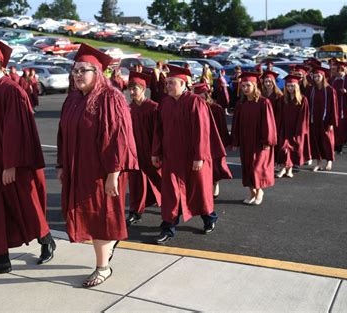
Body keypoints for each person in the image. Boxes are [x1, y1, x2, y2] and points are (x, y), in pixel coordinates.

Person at [0, 33, 56, 280]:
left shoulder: (12, 91)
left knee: (26, 205)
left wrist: (10, 164)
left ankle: (46, 238)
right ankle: (0, 259)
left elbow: (16, 133)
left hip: (13, 163)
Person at [57, 43, 138, 287]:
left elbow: (117, 138)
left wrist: (113, 173)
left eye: (84, 70)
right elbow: (62, 133)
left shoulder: (109, 98)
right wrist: (61, 164)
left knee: (101, 216)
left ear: (98, 73)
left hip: (102, 171)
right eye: (75, 70)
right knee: (89, 216)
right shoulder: (72, 99)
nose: (78, 74)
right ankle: (109, 246)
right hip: (78, 169)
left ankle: (103, 267)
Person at [151, 64, 223, 244]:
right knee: (171, 193)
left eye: (171, 83)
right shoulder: (165, 103)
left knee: (198, 192)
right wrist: (156, 152)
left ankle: (209, 218)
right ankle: (168, 227)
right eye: (166, 83)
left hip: (193, 158)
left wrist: (199, 156)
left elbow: (202, 132)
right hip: (171, 157)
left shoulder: (195, 102)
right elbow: (158, 130)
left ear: (183, 84)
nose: (167, 86)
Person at [231, 72, 277, 205]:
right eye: (243, 85)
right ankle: (251, 193)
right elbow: (236, 124)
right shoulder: (241, 104)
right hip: (246, 141)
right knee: (247, 167)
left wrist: (267, 141)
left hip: (259, 142)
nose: (245, 88)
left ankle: (259, 191)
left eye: (248, 85)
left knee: (256, 167)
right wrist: (235, 140)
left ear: (255, 85)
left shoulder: (264, 102)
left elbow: (268, 123)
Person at [126, 71, 162, 225]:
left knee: (161, 181)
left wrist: (156, 152)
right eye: (130, 89)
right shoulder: (128, 109)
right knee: (135, 183)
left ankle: (172, 210)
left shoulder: (154, 108)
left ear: (143, 89)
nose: (132, 92)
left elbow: (159, 132)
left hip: (152, 153)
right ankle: (135, 212)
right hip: (135, 153)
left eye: (135, 89)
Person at [192, 82, 232, 198]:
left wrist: (224, 142)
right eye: (197, 96)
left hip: (213, 141)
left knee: (214, 166)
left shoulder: (216, 108)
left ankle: (215, 185)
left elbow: (222, 127)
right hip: (200, 142)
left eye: (202, 96)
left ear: (206, 95)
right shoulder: (193, 109)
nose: (200, 99)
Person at [276, 75, 310, 178]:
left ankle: (289, 169)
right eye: (288, 86)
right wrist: (278, 127)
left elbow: (304, 116)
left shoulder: (303, 99)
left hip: (296, 128)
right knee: (283, 148)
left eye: (292, 86)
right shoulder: (283, 99)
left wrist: (300, 129)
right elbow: (279, 114)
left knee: (292, 149)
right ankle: (282, 168)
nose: (290, 88)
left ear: (296, 86)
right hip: (284, 128)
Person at [306, 66, 338, 171]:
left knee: (327, 141)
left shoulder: (330, 90)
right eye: (315, 76)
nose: (316, 78)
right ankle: (318, 162)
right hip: (314, 120)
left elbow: (333, 106)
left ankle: (329, 161)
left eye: (318, 76)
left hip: (326, 120)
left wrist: (332, 122)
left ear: (323, 77)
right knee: (316, 141)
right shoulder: (312, 90)